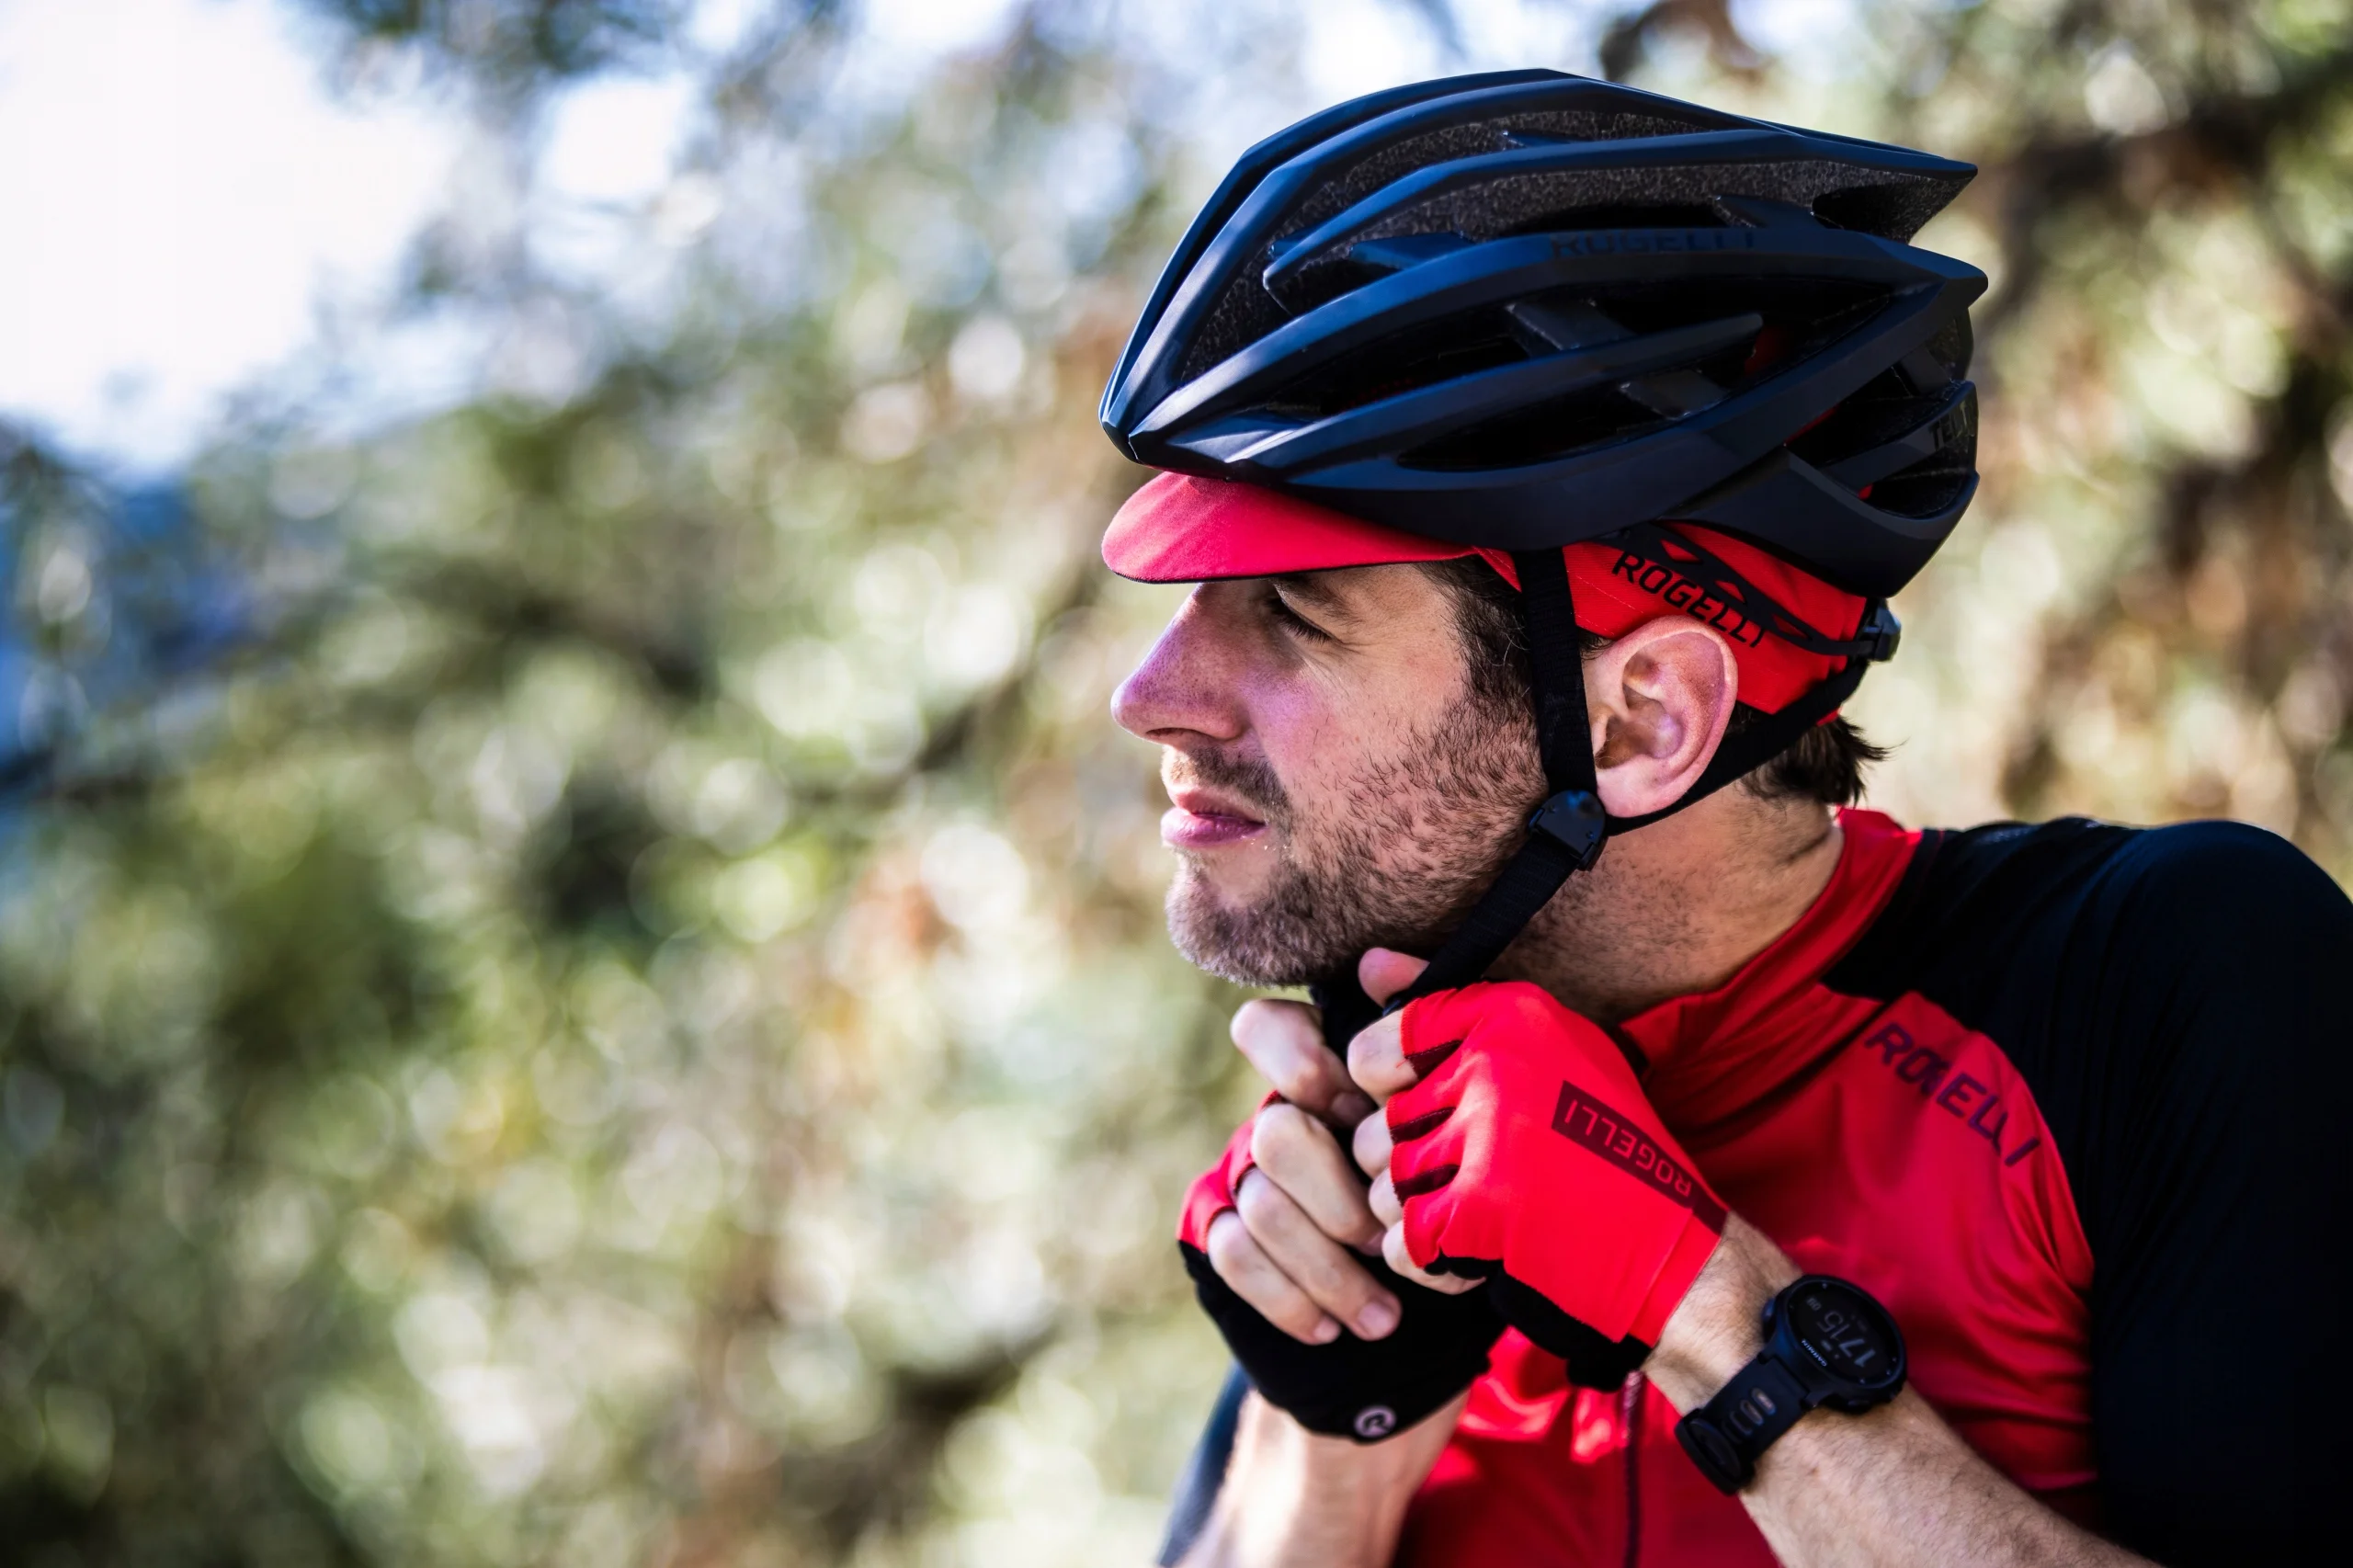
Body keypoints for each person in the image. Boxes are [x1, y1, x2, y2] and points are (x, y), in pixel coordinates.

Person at [1095, 71, 2347, 1567]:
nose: (1149, 695)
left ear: (1642, 720)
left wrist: (1705, 1306)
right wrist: (1338, 1411)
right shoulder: (1384, 1128)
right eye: (1192, 601)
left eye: (1295, 612)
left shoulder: (2159, 983)